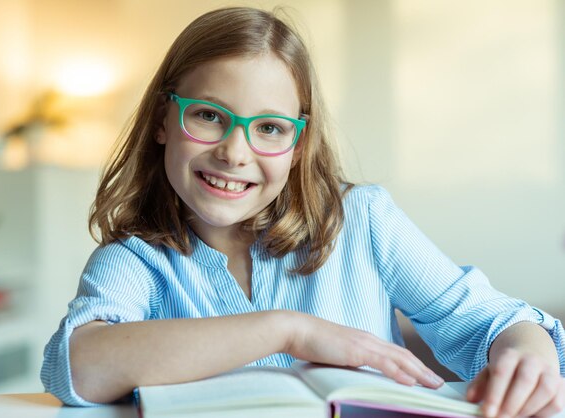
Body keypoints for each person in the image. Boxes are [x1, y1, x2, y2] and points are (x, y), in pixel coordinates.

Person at [41, 6, 565, 416]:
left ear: (297, 145)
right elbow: (79, 367)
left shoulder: (361, 220)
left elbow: (490, 322)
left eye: (269, 128)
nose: (234, 152)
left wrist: (528, 353)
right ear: (162, 120)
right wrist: (286, 330)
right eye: (207, 115)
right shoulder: (137, 259)